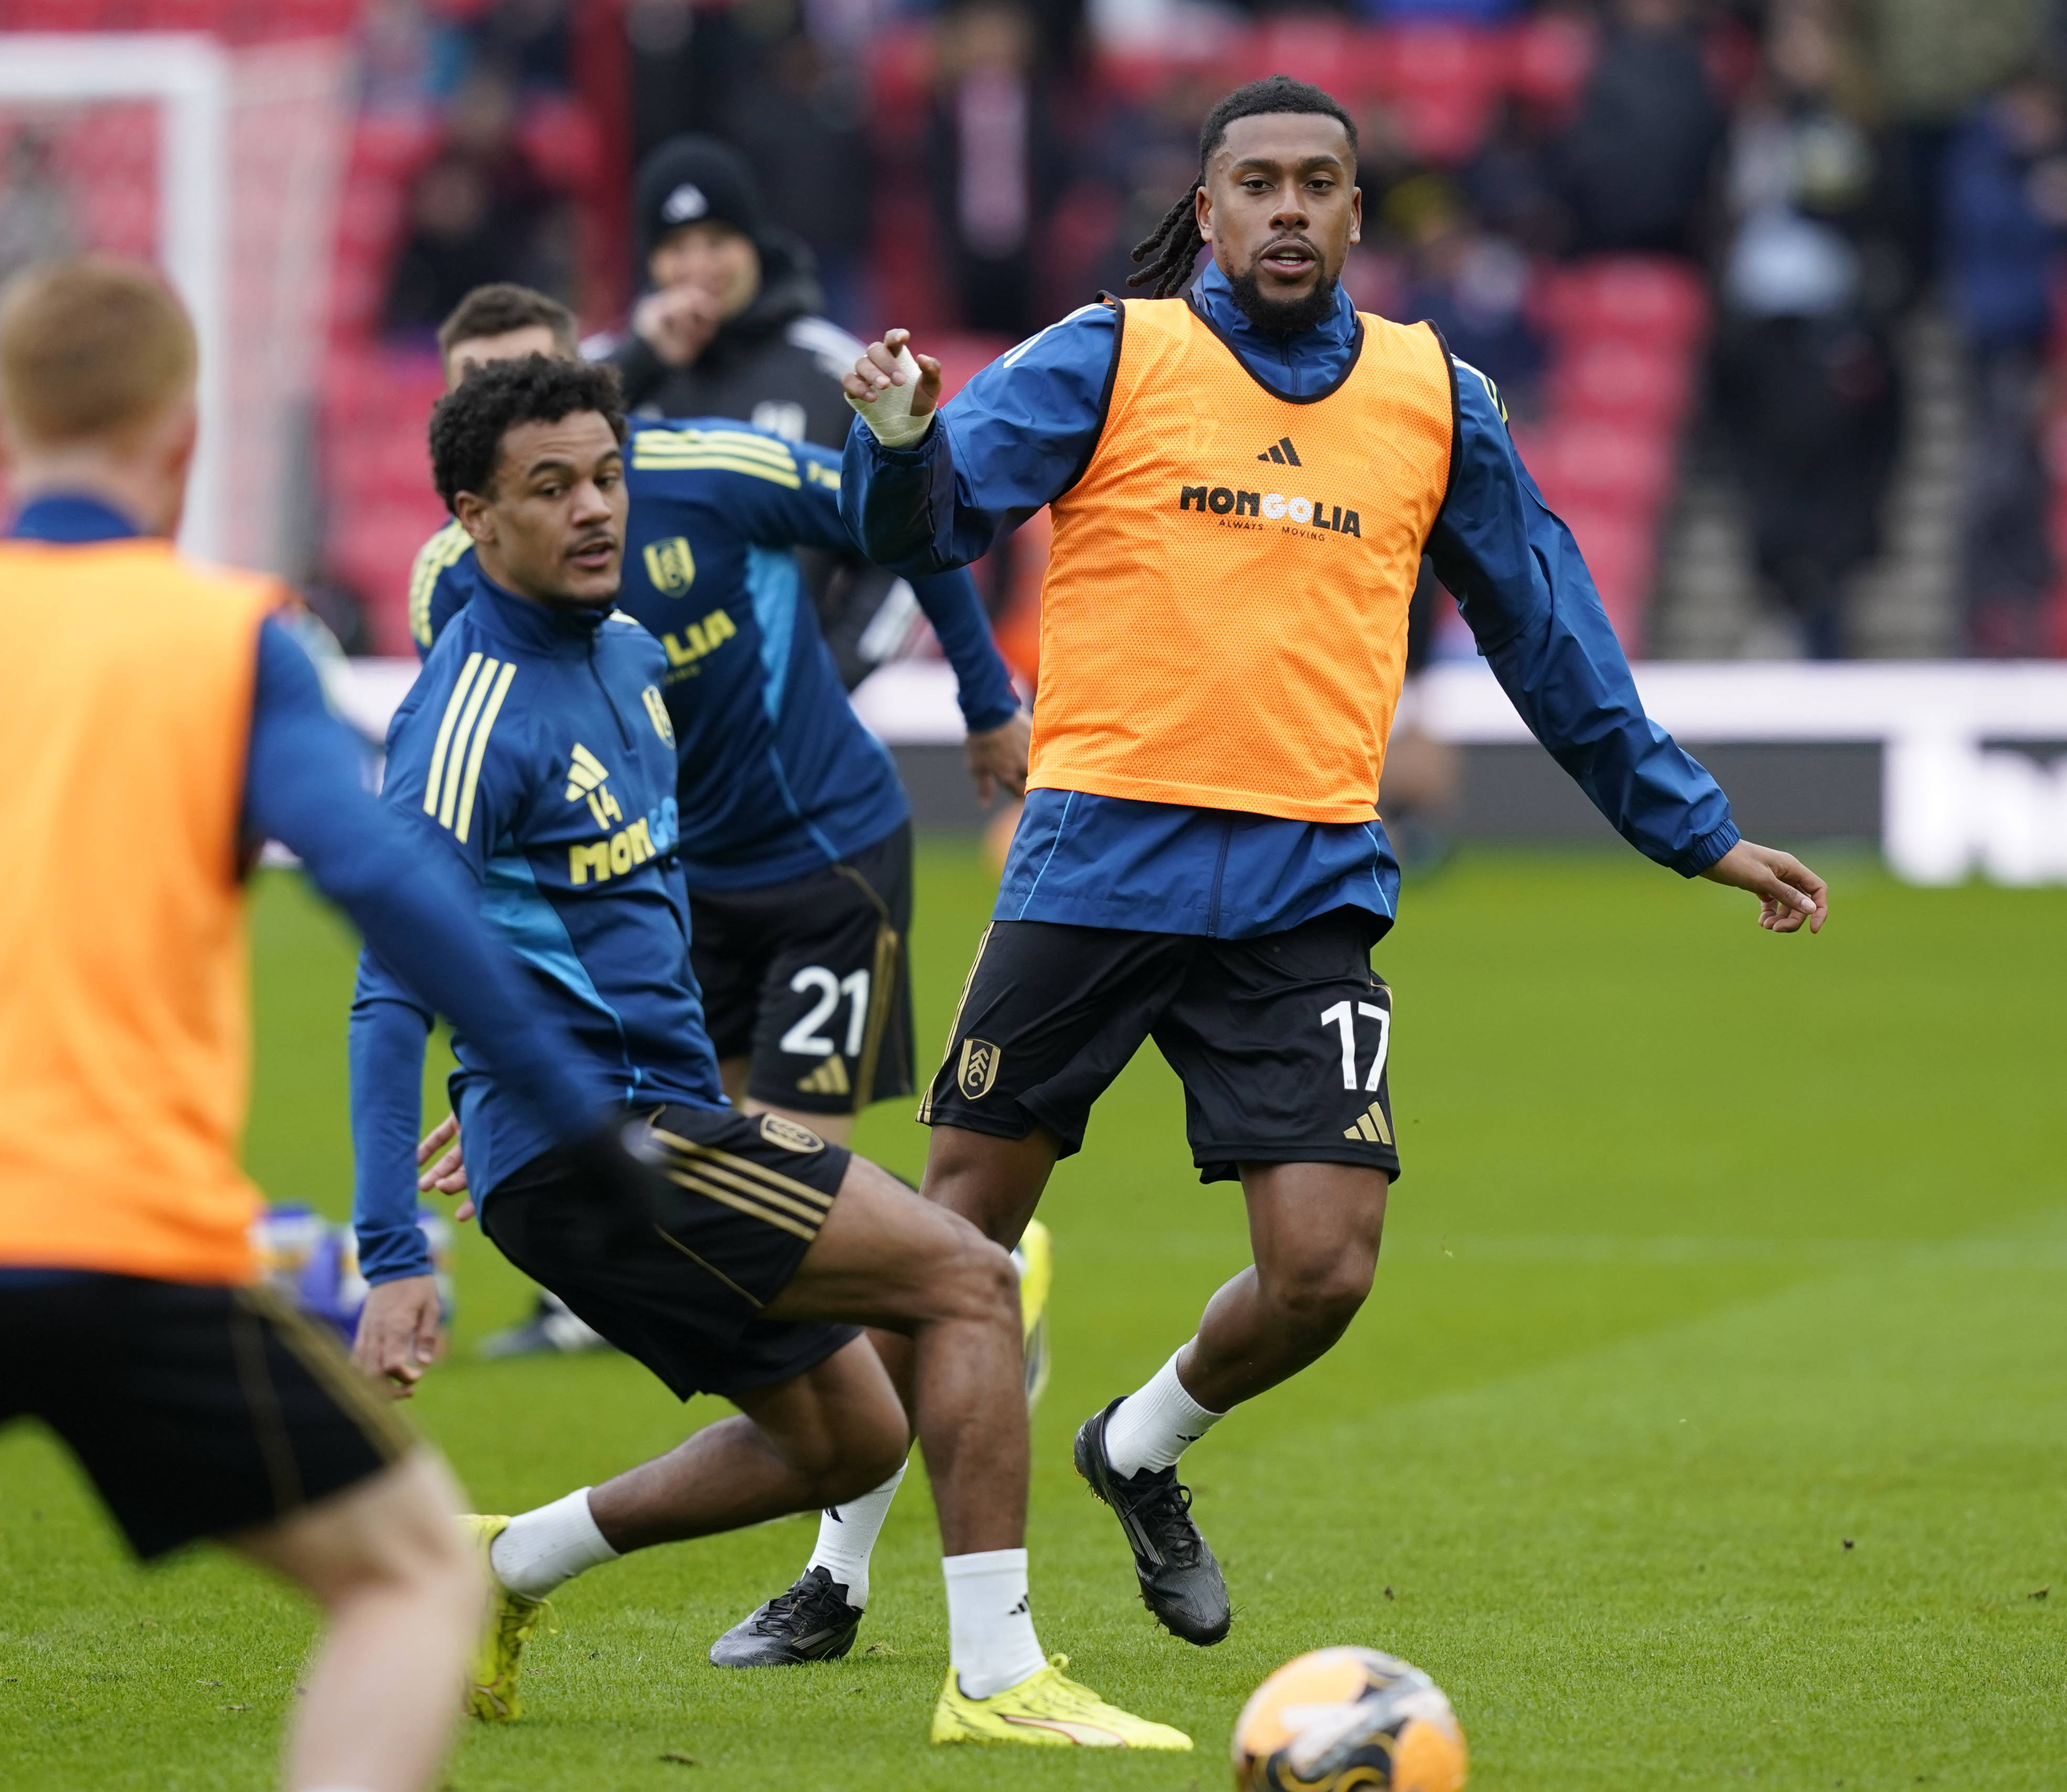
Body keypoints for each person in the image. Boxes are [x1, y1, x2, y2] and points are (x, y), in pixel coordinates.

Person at [729, 74, 1830, 1655]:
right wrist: (901, 445)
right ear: (1207, 208)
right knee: (949, 1248)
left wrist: (1689, 827)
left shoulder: (1430, 393)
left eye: (1319, 180)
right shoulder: (1111, 350)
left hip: (1302, 884)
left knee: (1319, 1271)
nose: (1289, 207)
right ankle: (835, 1572)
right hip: (1091, 863)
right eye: (1257, 182)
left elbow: (1545, 629)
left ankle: (1137, 1445)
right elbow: (929, 516)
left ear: (1356, 211)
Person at [349, 353, 1187, 1751]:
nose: (593, 509)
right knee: (969, 1281)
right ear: (471, 519)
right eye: (547, 489)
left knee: (852, 1437)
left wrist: (893, 437)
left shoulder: (620, 657)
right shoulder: (470, 710)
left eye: (605, 476)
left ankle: (495, 1569)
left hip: (611, 1125)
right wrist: (392, 1248)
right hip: (607, 1141)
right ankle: (997, 1682)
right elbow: (389, 983)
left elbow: (590, 923)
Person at [0, 256, 658, 1792]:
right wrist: (577, 1114)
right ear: (183, 438)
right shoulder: (229, 637)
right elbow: (384, 876)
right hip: (113, 1243)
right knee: (411, 1572)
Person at [406, 286, 1038, 1402]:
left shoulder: (713, 470)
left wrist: (987, 700)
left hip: (822, 861)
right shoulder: (451, 588)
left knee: (782, 1185)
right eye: (480, 388)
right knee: (716, 1166)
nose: (509, 402)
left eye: (533, 375)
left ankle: (962, 1286)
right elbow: (508, 851)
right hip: (672, 897)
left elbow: (902, 517)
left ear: (590, 382)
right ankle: (955, 1290)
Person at [599, 134, 910, 688]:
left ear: (754, 245)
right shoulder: (604, 372)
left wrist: (824, 688)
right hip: (626, 722)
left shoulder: (833, 370)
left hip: (778, 729)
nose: (698, 266)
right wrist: (643, 360)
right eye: (675, 247)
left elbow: (905, 539)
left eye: (718, 240)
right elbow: (524, 466)